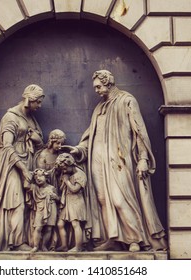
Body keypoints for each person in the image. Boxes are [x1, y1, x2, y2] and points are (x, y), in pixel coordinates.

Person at [70, 70, 167, 252]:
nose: (97, 90)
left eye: (98, 86)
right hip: (97, 159)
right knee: (102, 199)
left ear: (108, 82)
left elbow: (139, 132)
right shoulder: (99, 108)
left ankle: (135, 239)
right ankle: (113, 237)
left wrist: (143, 158)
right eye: (95, 87)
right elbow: (91, 133)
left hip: (118, 158)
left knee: (119, 199)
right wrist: (78, 149)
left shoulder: (127, 100)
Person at [0, 84, 45, 252]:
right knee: (14, 202)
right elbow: (7, 146)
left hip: (24, 162)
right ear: (29, 100)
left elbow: (39, 142)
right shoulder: (10, 117)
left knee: (23, 205)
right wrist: (23, 169)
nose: (39, 106)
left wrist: (37, 141)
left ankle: (17, 240)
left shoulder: (30, 118)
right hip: (7, 165)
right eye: (38, 102)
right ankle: (8, 241)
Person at [54, 153, 87, 252]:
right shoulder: (68, 174)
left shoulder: (80, 174)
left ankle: (78, 247)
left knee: (75, 224)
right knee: (60, 224)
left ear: (70, 164)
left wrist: (67, 181)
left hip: (76, 201)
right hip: (67, 201)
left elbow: (75, 189)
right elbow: (62, 187)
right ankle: (64, 246)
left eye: (64, 168)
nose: (63, 171)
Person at [25, 168, 59, 253]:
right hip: (40, 209)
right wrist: (31, 175)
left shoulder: (52, 188)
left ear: (46, 177)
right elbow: (26, 185)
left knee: (48, 229)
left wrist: (56, 197)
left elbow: (59, 199)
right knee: (38, 228)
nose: (38, 179)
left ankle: (44, 246)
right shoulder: (35, 188)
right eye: (36, 178)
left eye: (40, 176)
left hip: (52, 208)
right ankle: (36, 246)